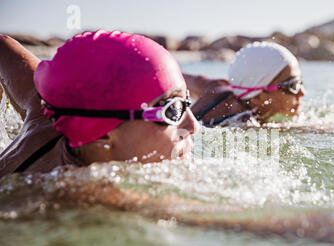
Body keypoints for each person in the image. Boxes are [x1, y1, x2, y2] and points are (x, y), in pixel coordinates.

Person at [0, 30, 200, 177]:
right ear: (103, 134)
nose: (193, 126)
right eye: (173, 110)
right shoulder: (78, 196)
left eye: (186, 101)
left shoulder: (48, 105)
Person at [184, 41, 305, 126]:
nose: (302, 92)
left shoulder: (217, 86)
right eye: (293, 86)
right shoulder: (242, 123)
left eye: (300, 82)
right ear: (257, 96)